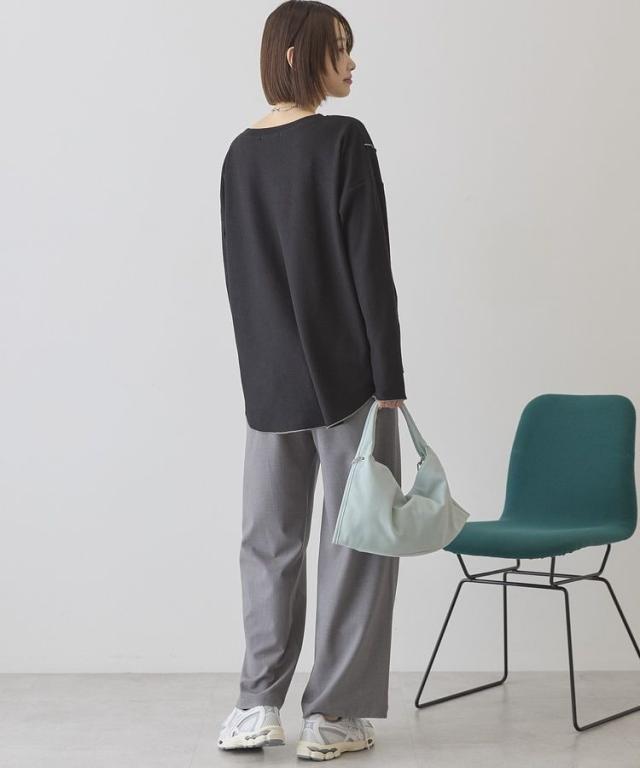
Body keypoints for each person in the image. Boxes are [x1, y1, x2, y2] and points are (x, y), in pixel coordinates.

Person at [218, 0, 407, 759]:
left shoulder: (239, 154)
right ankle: (333, 715)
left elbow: (242, 279)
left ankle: (256, 706)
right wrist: (390, 378)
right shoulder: (343, 140)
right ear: (298, 56)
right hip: (349, 380)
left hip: (269, 384)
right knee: (358, 541)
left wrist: (258, 373)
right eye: (339, 49)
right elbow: (371, 270)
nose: (352, 64)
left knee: (269, 544)